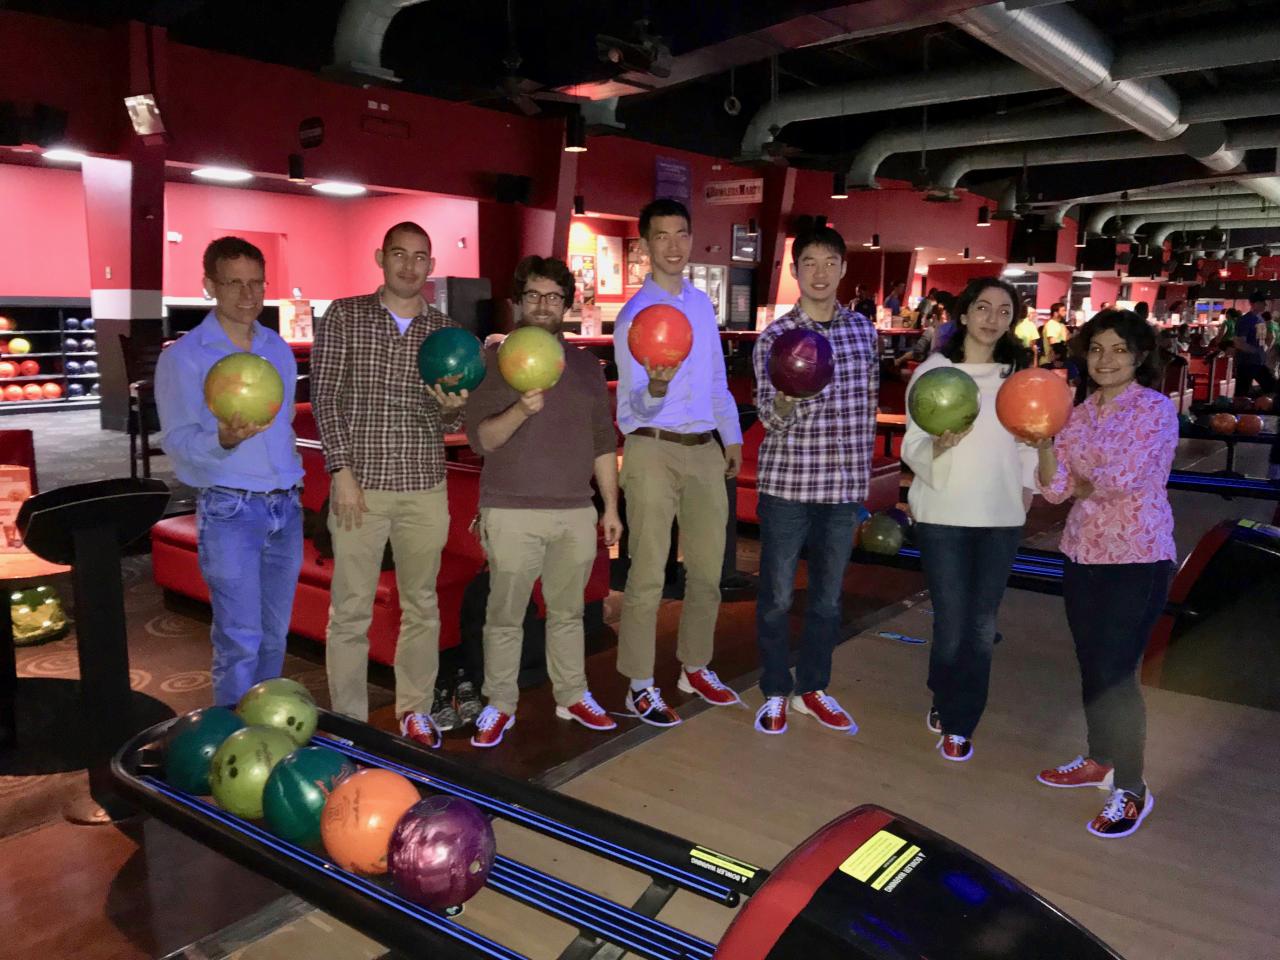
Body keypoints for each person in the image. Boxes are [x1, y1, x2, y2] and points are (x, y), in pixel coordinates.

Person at [312, 221, 468, 747]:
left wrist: (451, 411)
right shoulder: (345, 316)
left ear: (431, 264)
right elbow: (326, 398)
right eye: (399, 254)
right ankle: (349, 722)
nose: (408, 265)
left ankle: (415, 710)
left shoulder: (445, 332)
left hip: (425, 484)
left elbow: (445, 424)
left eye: (420, 257)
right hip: (362, 485)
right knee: (350, 610)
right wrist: (342, 473)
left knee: (421, 604)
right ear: (381, 257)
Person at [463, 256, 623, 747]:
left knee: (569, 612)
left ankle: (572, 693)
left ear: (567, 305)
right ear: (517, 303)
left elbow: (602, 442)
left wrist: (611, 508)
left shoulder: (584, 367)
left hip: (575, 508)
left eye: (553, 297)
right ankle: (499, 704)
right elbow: (480, 440)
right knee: (506, 615)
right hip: (510, 508)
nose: (543, 305)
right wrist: (521, 408)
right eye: (533, 295)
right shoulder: (493, 362)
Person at [1034, 310, 1176, 839]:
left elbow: (1127, 477)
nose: (1106, 359)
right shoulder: (1076, 413)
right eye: (1096, 349)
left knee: (1118, 672)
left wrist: (1081, 480)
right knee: (1093, 664)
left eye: (1118, 349)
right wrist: (1047, 444)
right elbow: (1053, 490)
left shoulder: (1156, 410)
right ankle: (1099, 759)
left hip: (1139, 557)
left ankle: (1132, 787)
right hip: (1082, 553)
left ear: (1139, 356)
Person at [155, 236, 303, 707]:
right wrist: (223, 439)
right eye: (234, 283)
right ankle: (234, 745)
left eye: (256, 283)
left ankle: (265, 732)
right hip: (230, 508)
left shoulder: (276, 348)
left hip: (287, 506)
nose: (248, 295)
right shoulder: (184, 356)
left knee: (276, 636)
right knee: (240, 639)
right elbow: (177, 446)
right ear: (209, 286)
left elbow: (283, 431)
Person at [613, 198, 744, 726]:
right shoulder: (632, 318)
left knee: (709, 571)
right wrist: (656, 388)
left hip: (703, 450)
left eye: (681, 234)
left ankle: (695, 666)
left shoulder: (701, 306)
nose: (673, 245)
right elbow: (631, 403)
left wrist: (730, 437)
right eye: (661, 236)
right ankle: (639, 684)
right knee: (646, 574)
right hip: (649, 447)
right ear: (644, 245)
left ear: (691, 239)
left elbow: (715, 381)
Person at [900, 277, 1037, 762]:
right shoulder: (934, 373)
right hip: (943, 514)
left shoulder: (1018, 374)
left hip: (999, 516)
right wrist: (936, 445)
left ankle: (961, 721)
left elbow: (1028, 440)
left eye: (1003, 310)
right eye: (983, 307)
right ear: (964, 314)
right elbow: (911, 443)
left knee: (981, 625)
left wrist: (1025, 492)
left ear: (1011, 320)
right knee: (954, 623)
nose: (992, 318)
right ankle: (944, 691)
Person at [751, 226, 879, 735]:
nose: (820, 272)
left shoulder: (864, 332)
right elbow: (768, 418)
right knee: (778, 597)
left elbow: (866, 411)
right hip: (788, 485)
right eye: (809, 262)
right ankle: (775, 689)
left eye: (830, 262)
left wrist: (863, 483)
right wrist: (785, 400)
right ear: (795, 270)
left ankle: (814, 688)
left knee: (828, 598)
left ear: (844, 268)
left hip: (842, 490)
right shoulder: (776, 339)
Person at [1234, 292, 1277, 396]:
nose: (1265, 305)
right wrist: (1256, 351)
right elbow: (1239, 342)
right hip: (1246, 362)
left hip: (1256, 362)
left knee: (1271, 387)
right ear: (1255, 303)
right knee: (1243, 392)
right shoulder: (1245, 320)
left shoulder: (1260, 319)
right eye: (1263, 303)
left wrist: (1262, 351)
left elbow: (1262, 340)